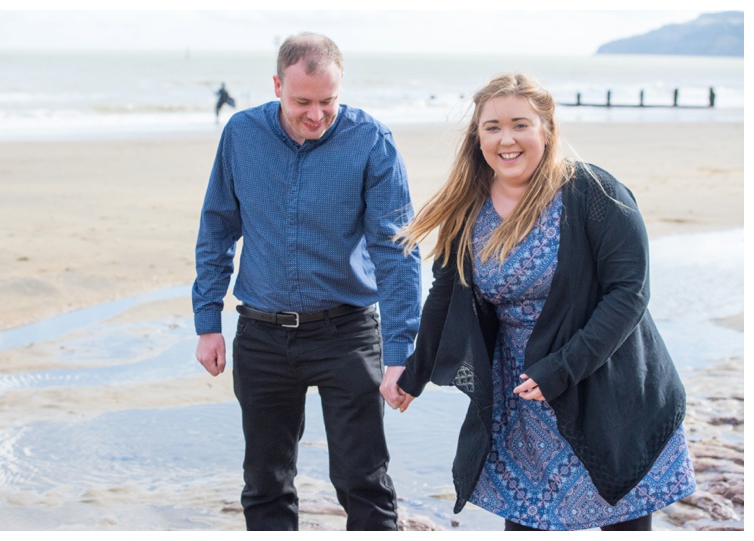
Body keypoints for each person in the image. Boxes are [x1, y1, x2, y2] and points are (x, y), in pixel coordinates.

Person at [394, 72, 696, 531]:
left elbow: (629, 293)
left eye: (520, 124)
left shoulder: (594, 193)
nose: (506, 139)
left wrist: (561, 368)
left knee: (624, 524)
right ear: (477, 138)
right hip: (521, 403)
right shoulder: (468, 211)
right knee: (527, 525)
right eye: (492, 127)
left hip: (607, 389)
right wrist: (413, 374)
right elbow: (444, 295)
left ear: (547, 129)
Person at [192, 32, 422, 531]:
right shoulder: (240, 135)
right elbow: (217, 228)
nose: (316, 114)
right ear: (277, 86)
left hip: (348, 332)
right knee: (265, 484)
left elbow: (397, 250)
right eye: (302, 102)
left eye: (328, 101)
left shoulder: (370, 140)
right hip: (262, 335)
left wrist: (402, 351)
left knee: (364, 482)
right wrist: (208, 321)